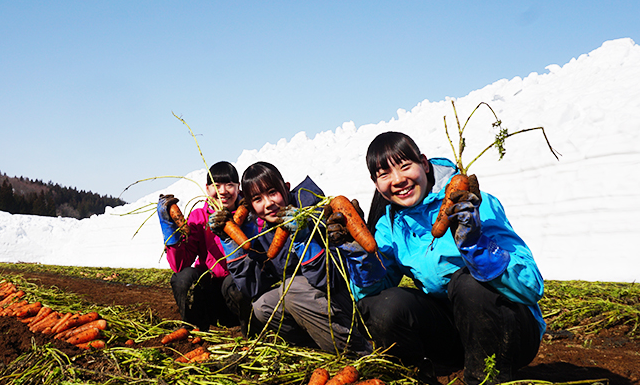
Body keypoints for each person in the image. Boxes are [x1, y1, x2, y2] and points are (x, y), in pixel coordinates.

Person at [338, 131, 545, 385]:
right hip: (454, 337)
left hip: (511, 332)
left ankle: (486, 380)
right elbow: (370, 294)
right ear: (376, 183)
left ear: (424, 164)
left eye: (405, 166)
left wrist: (477, 245)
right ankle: (421, 378)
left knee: (467, 283)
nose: (398, 180)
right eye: (385, 174)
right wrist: (357, 251)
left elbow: (530, 287)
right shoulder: (390, 225)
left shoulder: (474, 204)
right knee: (383, 305)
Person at [209, 161, 368, 355]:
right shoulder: (268, 233)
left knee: (291, 290)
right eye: (258, 199)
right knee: (263, 305)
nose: (268, 204)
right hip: (317, 307)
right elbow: (252, 287)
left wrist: (304, 240)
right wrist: (231, 244)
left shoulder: (317, 214)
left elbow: (330, 280)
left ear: (286, 188)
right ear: (250, 206)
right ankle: (318, 348)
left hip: (347, 304)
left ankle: (356, 349)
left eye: (273, 192)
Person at [156, 161, 244, 332]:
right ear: (207, 188)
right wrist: (171, 235)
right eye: (216, 185)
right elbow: (180, 265)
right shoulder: (199, 217)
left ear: (238, 187)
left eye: (230, 185)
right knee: (183, 277)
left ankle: (247, 328)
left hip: (236, 295)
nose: (223, 191)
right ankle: (194, 326)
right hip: (208, 294)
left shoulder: (247, 216)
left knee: (235, 282)